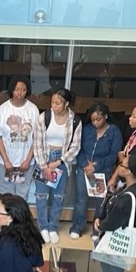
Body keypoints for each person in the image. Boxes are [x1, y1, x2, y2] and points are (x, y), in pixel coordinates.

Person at [33, 88, 82, 245]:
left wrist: (59, 161)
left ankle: (53, 227)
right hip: (44, 159)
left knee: (58, 197)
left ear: (66, 103)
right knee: (41, 196)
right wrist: (44, 166)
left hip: (62, 161)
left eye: (58, 103)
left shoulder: (74, 120)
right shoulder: (44, 117)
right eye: (52, 102)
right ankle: (43, 227)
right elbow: (37, 143)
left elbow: (75, 146)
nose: (53, 106)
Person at [70, 103, 122, 240]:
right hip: (84, 169)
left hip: (103, 171)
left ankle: (97, 229)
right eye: (93, 120)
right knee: (81, 200)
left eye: (98, 119)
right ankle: (77, 227)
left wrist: (96, 166)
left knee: (101, 201)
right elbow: (78, 148)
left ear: (105, 116)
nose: (95, 122)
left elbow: (113, 155)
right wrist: (86, 165)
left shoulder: (114, 132)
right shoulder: (87, 129)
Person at [0, 75, 39, 199]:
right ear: (11, 89)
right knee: (6, 193)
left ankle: (19, 218)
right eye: (17, 89)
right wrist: (6, 160)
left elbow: (36, 138)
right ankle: (5, 217)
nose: (20, 93)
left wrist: (28, 160)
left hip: (25, 162)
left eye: (23, 90)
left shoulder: (33, 109)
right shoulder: (3, 109)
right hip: (4, 162)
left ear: (27, 91)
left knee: (22, 193)